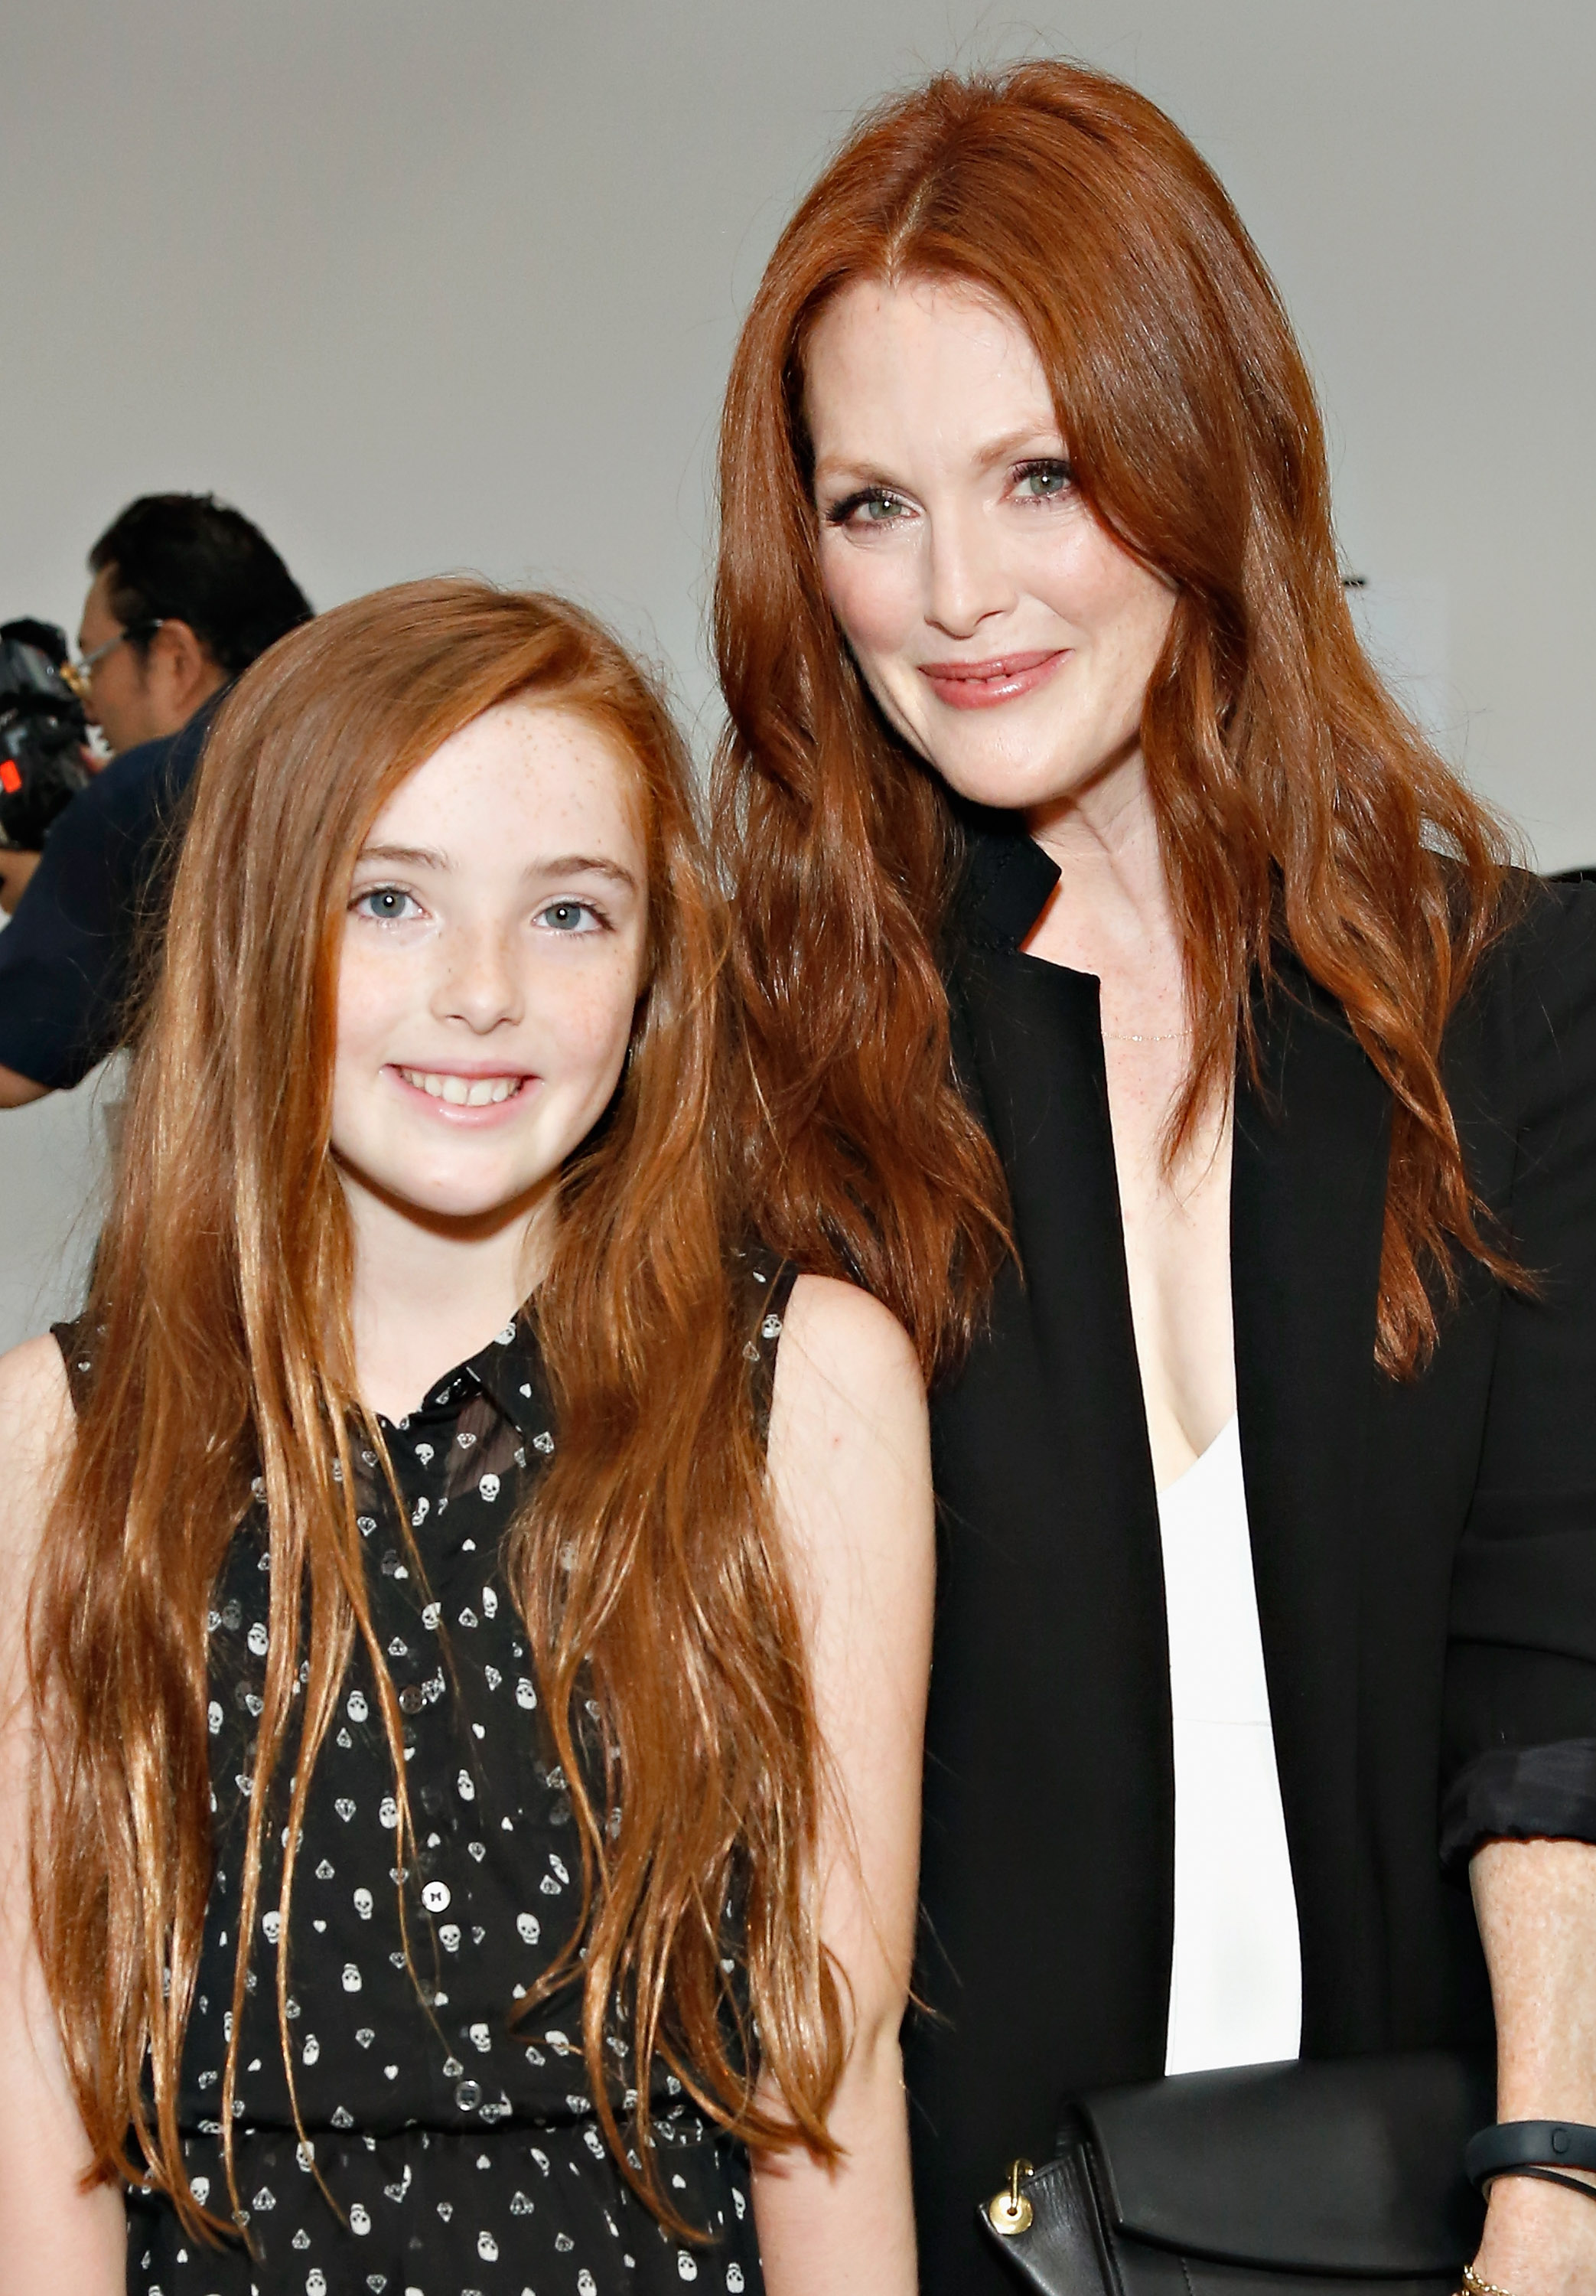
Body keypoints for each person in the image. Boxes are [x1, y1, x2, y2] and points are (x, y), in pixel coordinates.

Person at [711, 60, 1596, 2296]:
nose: (958, 590)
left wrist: (1553, 2189)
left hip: (1425, 2227)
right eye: (871, 504)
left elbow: (1550, 1678)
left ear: (1205, 452)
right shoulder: (783, 1070)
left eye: (1040, 472)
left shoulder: (1504, 1004)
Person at [0, 580, 929, 2293]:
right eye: (391, 902)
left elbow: (828, 2080)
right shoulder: (59, 1441)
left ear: (655, 967)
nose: (483, 992)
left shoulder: (807, 1398)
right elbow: (44, 2101)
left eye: (570, 914)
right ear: (259, 934)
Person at [0, 492, 311, 1108]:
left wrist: (76, 868)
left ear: (174, 657)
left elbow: (9, 1069)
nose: (87, 705)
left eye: (91, 663)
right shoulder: (353, 753)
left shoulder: (144, 793)